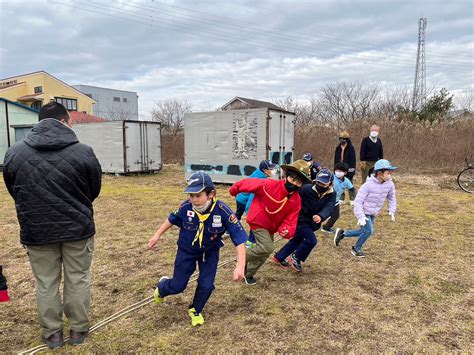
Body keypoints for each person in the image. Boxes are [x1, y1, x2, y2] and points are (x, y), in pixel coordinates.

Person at [2, 102, 102, 349]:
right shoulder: (84, 151)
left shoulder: (14, 153)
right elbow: (93, 189)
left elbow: (14, 189)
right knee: (78, 278)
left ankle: (53, 334)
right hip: (77, 228)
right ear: (65, 120)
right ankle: (78, 329)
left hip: (37, 231)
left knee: (46, 282)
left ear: (40, 121)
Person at [147, 172, 247, 327]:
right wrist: (157, 235)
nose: (194, 199)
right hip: (186, 251)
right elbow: (171, 219)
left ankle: (195, 309)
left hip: (210, 253)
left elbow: (239, 238)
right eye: (191, 195)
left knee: (207, 285)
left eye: (198, 195)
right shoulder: (186, 207)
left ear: (211, 194)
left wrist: (240, 266)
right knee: (178, 286)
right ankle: (162, 287)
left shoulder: (223, 211)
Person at [229, 160, 311, 285]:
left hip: (271, 227)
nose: (294, 184)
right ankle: (242, 257)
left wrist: (286, 230)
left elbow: (291, 219)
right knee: (267, 248)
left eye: (298, 182)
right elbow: (249, 183)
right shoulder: (269, 184)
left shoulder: (296, 200)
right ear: (286, 176)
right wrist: (234, 190)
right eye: (292, 179)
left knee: (264, 253)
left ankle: (248, 273)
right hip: (258, 220)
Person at [272, 168, 336, 272]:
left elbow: (330, 207)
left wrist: (321, 215)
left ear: (331, 184)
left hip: (313, 222)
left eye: (323, 184)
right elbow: (292, 195)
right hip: (300, 219)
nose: (320, 185)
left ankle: (279, 257)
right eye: (318, 182)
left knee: (297, 239)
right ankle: (296, 257)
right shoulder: (306, 189)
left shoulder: (332, 194)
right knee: (311, 241)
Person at [334, 159, 397, 258]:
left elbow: (391, 197)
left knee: (364, 231)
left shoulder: (389, 184)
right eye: (388, 172)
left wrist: (392, 210)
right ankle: (356, 248)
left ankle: (342, 233)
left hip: (373, 212)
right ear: (380, 174)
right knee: (369, 231)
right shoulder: (367, 185)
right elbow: (358, 202)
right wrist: (360, 216)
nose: (390, 175)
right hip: (363, 211)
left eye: (391, 172)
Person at [234, 160, 278, 247]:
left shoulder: (260, 174)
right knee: (247, 219)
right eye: (271, 169)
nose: (273, 170)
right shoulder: (259, 181)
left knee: (239, 216)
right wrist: (251, 213)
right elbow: (251, 200)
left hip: (243, 197)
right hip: (242, 199)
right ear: (265, 171)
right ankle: (249, 244)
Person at [321, 163, 357, 233]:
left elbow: (352, 189)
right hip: (325, 200)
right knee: (321, 214)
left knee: (336, 215)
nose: (338, 172)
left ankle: (326, 227)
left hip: (335, 201)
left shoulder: (346, 181)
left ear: (345, 172)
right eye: (337, 170)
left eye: (340, 171)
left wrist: (359, 197)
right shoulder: (331, 177)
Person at [334, 131, 356, 204]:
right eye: (341, 139)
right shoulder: (338, 148)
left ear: (347, 139)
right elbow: (336, 158)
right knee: (340, 184)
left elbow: (353, 159)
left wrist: (351, 169)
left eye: (344, 139)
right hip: (340, 168)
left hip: (348, 168)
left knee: (349, 183)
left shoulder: (351, 148)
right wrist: (335, 168)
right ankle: (341, 199)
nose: (342, 140)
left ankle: (352, 199)